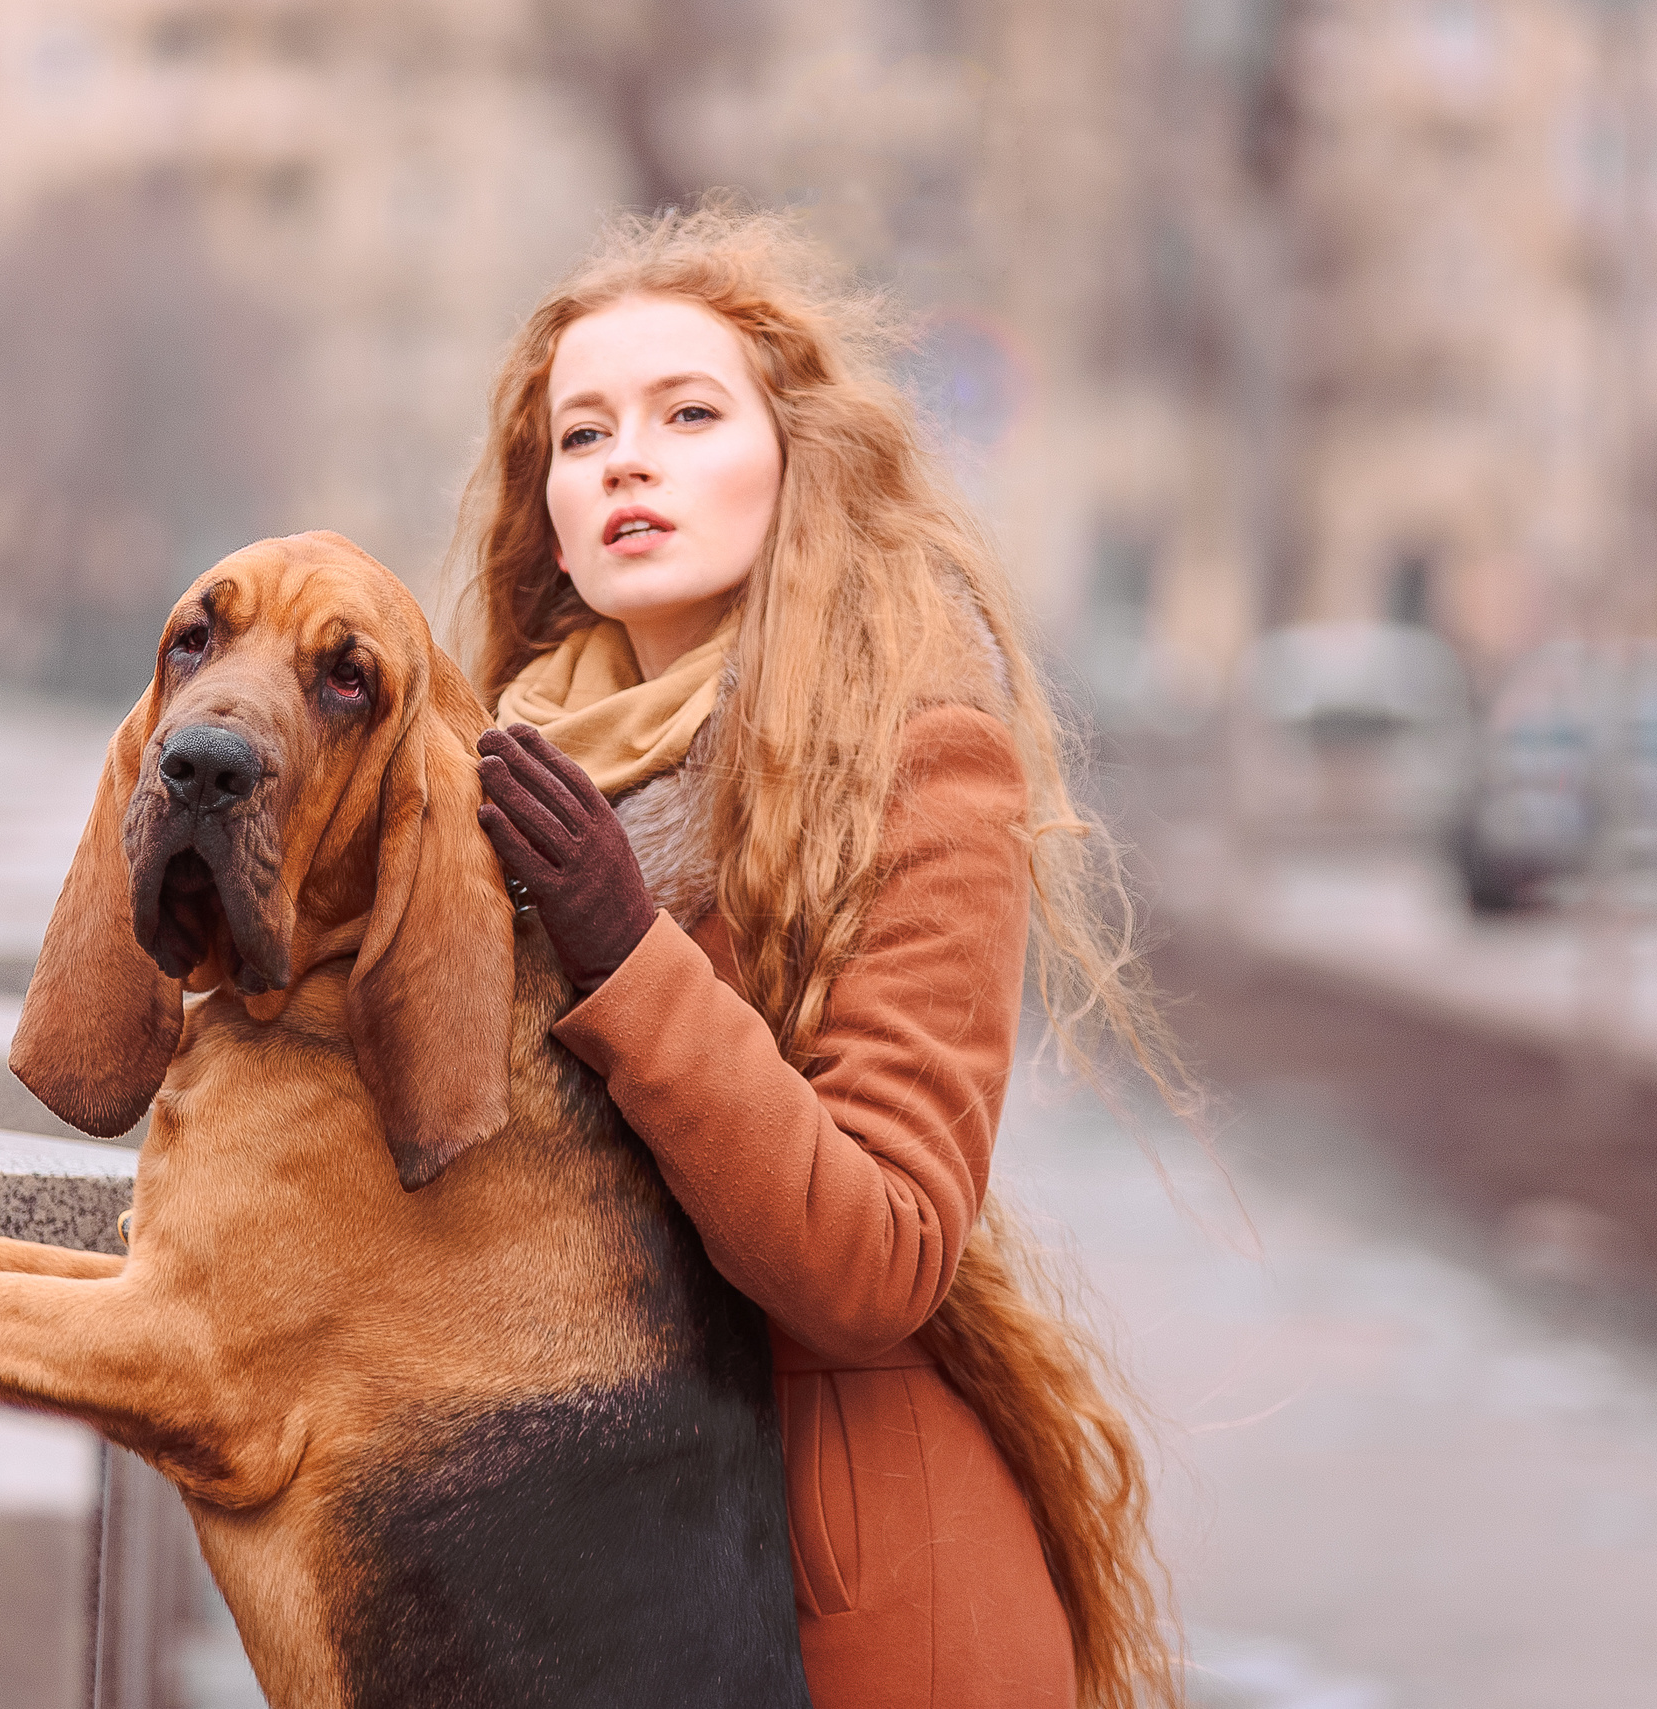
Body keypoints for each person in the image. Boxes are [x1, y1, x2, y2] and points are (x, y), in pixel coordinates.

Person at [459, 205, 1183, 1709]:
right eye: (582, 435)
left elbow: (879, 1260)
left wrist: (625, 950)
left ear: (798, 464)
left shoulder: (919, 762)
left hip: (843, 1598)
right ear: (550, 510)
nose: (626, 462)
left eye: (688, 415)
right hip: (586, 1553)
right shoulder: (504, 763)